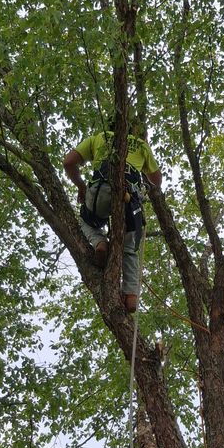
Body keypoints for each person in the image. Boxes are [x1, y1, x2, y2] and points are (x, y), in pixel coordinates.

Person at [63, 130, 162, 312]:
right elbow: (157, 180)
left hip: (99, 192)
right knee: (130, 248)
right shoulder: (141, 145)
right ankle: (131, 294)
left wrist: (81, 186)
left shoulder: (98, 137)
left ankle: (100, 242)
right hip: (130, 199)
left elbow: (68, 162)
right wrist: (144, 178)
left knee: (87, 221)